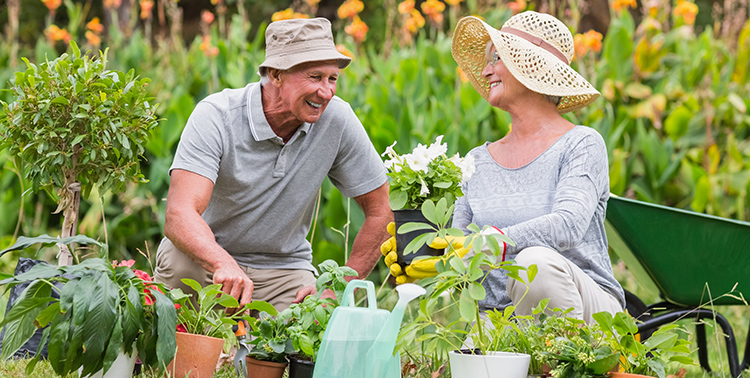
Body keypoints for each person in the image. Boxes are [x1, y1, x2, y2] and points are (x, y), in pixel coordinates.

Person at [384, 11, 624, 324]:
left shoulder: (581, 144)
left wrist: (490, 241)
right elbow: (462, 248)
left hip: (592, 317)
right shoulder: (477, 161)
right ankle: (523, 366)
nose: (485, 72)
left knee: (532, 264)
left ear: (530, 64)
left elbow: (568, 225)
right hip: (500, 322)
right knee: (474, 363)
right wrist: (422, 255)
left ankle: (567, 371)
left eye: (495, 58)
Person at [154, 17, 391, 312]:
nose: (327, 92)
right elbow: (179, 213)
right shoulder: (217, 115)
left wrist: (338, 286)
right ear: (276, 75)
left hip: (285, 270)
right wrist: (222, 262)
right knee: (180, 277)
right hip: (205, 260)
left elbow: (382, 209)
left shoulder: (337, 121)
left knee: (309, 331)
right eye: (315, 77)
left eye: (333, 79)